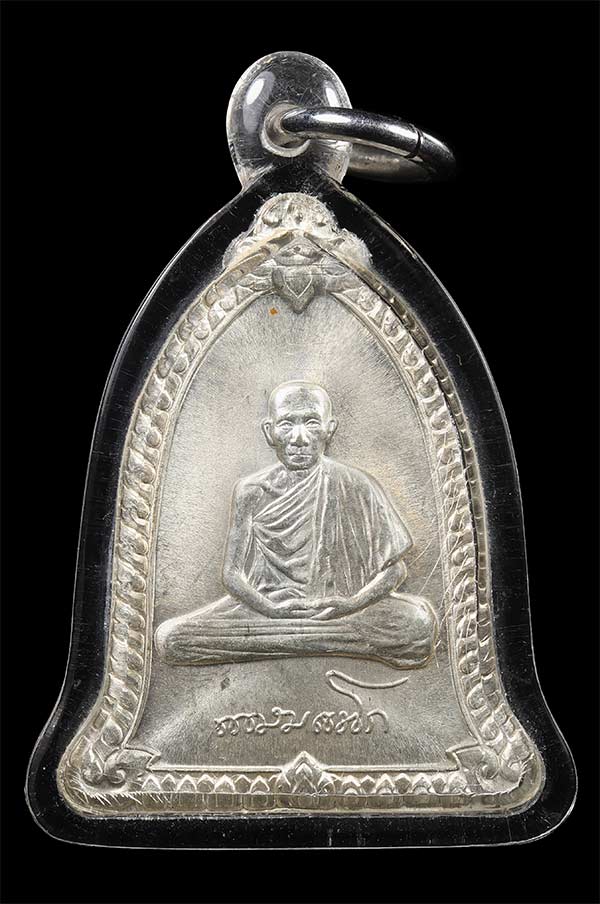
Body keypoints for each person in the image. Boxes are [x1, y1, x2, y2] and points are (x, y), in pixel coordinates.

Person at [155, 381, 437, 669]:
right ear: (270, 432)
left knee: (417, 623)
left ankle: (290, 641)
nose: (299, 438)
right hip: (266, 611)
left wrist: (351, 604)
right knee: (172, 638)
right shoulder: (251, 491)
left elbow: (395, 570)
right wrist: (271, 609)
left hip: (338, 611)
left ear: (329, 429)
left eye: (311, 423)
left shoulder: (357, 485)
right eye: (287, 424)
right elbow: (232, 575)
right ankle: (327, 642)